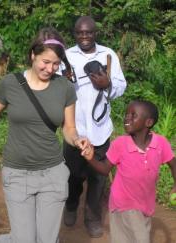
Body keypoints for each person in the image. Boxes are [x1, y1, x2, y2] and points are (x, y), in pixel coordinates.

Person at [0, 27, 90, 243]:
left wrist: (77, 140)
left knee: (47, 240)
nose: (50, 68)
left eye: (56, 64)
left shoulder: (64, 87)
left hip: (52, 174)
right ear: (32, 55)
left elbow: (69, 128)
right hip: (18, 174)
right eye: (45, 61)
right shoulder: (11, 83)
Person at [62, 16, 127, 237]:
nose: (84, 36)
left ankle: (92, 217)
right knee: (72, 176)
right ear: (75, 34)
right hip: (74, 130)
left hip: (100, 131)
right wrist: (64, 80)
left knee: (98, 179)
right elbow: (55, 86)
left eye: (88, 32)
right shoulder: (66, 56)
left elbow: (121, 86)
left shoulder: (108, 54)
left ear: (95, 33)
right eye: (80, 33)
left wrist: (107, 84)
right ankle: (71, 205)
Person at [81, 100, 176, 243]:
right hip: (124, 202)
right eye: (127, 114)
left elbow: (173, 164)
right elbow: (105, 169)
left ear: (148, 122)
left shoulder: (160, 143)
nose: (127, 118)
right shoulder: (120, 143)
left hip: (146, 205)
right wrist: (90, 158)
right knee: (141, 239)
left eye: (133, 115)